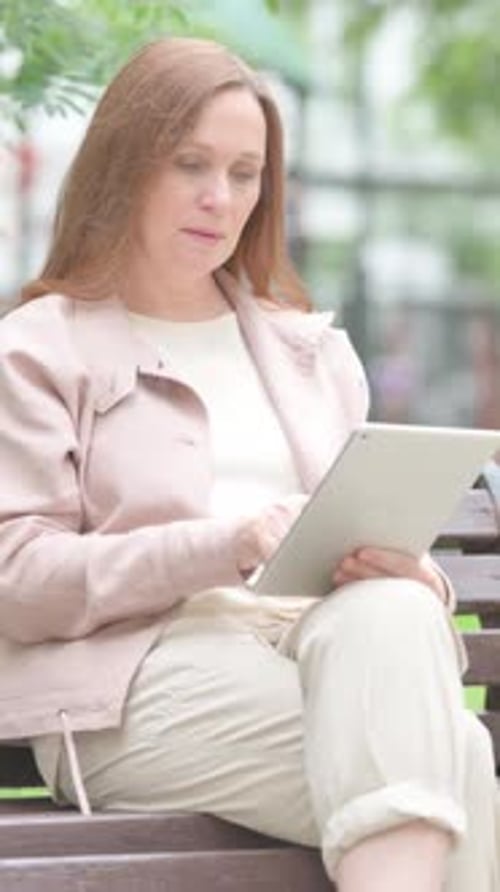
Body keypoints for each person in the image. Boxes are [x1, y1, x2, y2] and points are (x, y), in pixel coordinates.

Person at [0, 36, 498, 892]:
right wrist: (222, 544)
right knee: (453, 763)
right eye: (189, 164)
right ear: (125, 166)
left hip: (320, 651)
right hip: (130, 692)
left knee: (391, 619)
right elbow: (18, 579)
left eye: (245, 172)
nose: (218, 197)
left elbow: (373, 558)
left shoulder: (312, 351)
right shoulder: (38, 351)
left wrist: (416, 576)